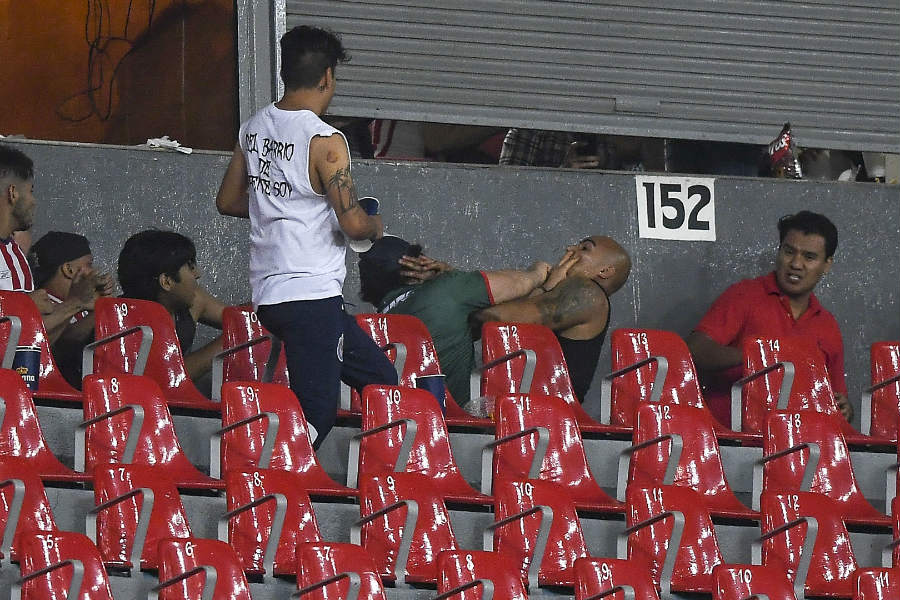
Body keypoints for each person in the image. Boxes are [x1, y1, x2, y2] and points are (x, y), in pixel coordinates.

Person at [215, 25, 397, 447]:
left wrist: (280, 207)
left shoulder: (254, 127)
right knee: (316, 414)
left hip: (272, 295)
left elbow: (227, 201)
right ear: (328, 77)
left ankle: (370, 485)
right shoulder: (326, 141)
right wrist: (375, 224)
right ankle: (263, 483)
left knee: (384, 384)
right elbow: (353, 224)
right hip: (309, 294)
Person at [360, 235, 631, 405]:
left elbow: (499, 322)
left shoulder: (588, 292)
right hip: (515, 408)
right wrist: (454, 286)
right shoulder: (562, 291)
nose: (571, 248)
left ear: (605, 271)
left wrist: (453, 291)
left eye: (585, 248)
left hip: (544, 417)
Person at [686, 211, 851, 425]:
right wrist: (758, 357)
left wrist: (846, 408)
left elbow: (838, 397)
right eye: (789, 251)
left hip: (802, 441)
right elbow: (694, 350)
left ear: (827, 264)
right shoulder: (744, 295)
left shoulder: (828, 325)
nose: (796, 264)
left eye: (809, 257)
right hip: (735, 443)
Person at [117, 230, 226, 383]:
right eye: (189, 266)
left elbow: (244, 318)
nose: (197, 274)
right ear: (167, 281)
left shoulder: (194, 301)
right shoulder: (125, 321)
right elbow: (163, 379)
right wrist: (229, 342)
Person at [27, 231, 114, 387]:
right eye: (89, 264)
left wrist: (100, 305)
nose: (93, 271)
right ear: (68, 269)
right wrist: (88, 304)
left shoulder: (80, 304)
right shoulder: (42, 306)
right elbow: (65, 343)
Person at [0, 145, 37, 292]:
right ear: (13, 193)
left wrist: (76, 302)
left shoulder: (13, 250)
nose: (34, 201)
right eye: (31, 191)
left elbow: (23, 316)